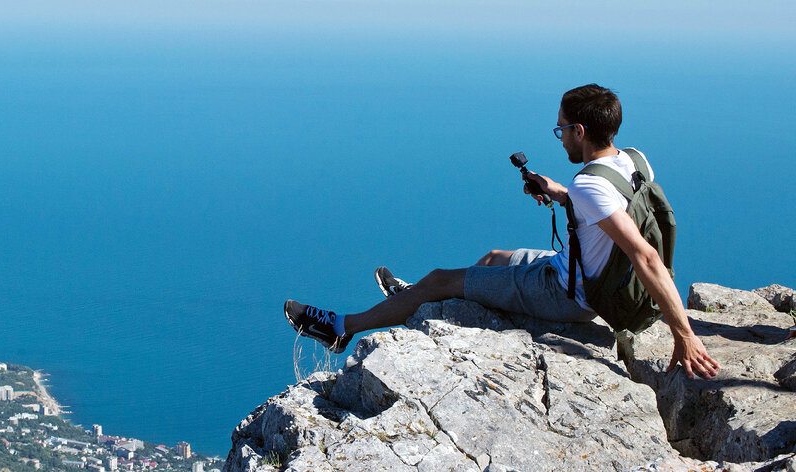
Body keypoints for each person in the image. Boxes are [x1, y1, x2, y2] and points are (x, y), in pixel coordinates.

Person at [283, 84, 721, 380]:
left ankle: (345, 326)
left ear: (580, 131)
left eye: (561, 129)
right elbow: (608, 213)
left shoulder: (590, 184)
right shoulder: (632, 161)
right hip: (580, 272)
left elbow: (644, 255)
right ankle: (417, 298)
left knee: (440, 278)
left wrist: (684, 334)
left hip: (568, 292)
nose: (560, 138)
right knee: (493, 256)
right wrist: (558, 193)